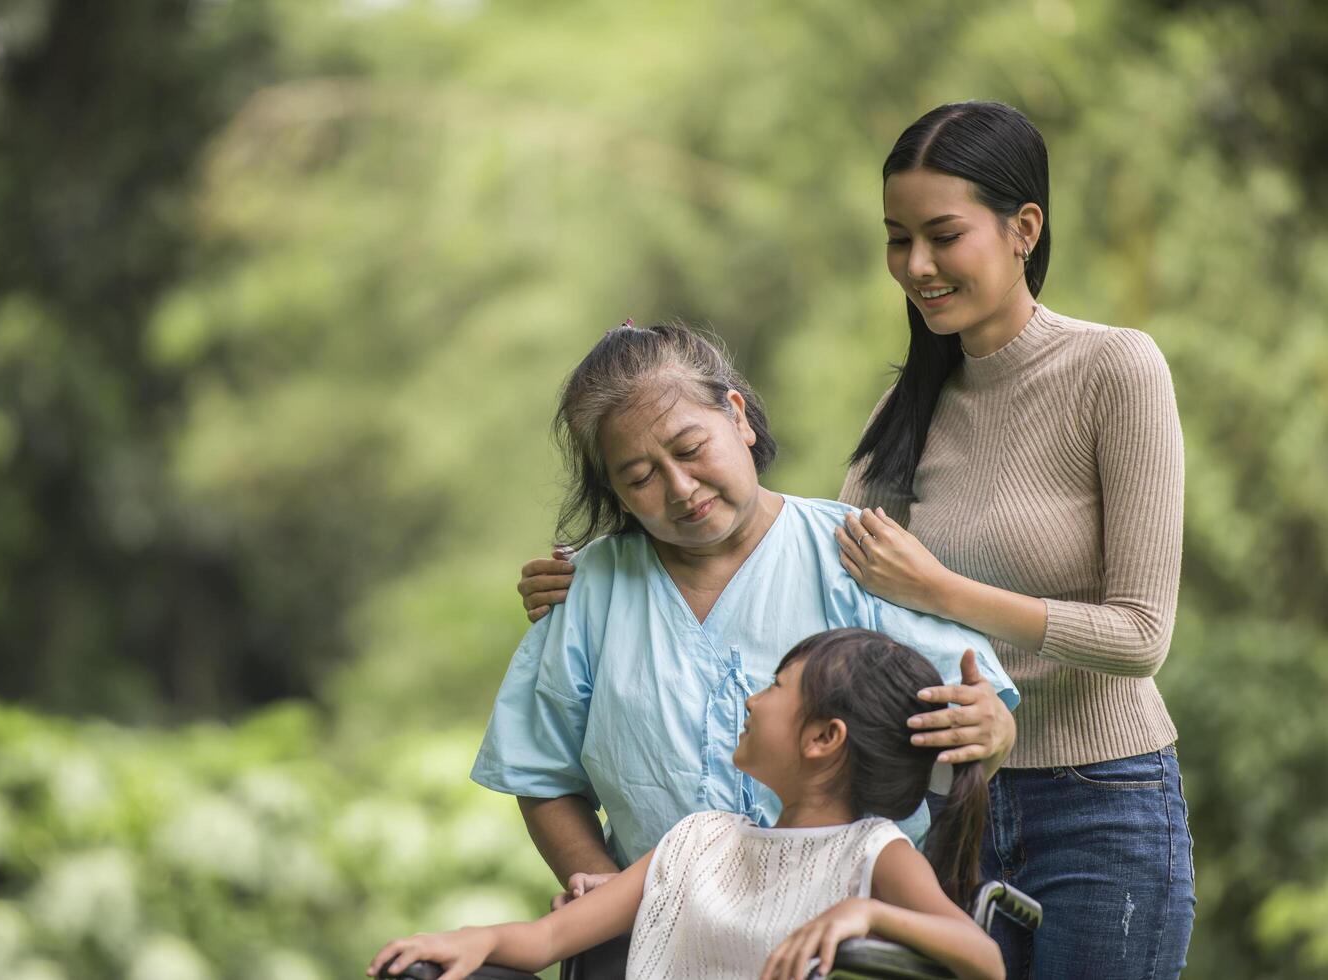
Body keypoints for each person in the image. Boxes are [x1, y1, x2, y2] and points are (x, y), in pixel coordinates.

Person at [523, 101, 1195, 978]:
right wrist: (605, 577)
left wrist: (941, 590)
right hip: (937, 820)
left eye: (942, 235)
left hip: (1098, 803)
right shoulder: (901, 413)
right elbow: (803, 569)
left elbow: (1141, 637)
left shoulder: (1115, 370)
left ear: (1023, 227)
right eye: (896, 238)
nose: (916, 266)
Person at [475, 323, 1019, 931]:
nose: (680, 489)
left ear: (737, 416)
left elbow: (969, 721)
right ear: (614, 490)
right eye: (639, 477)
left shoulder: (857, 556)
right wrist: (604, 895)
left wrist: (989, 727)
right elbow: (542, 770)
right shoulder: (588, 591)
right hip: (662, 936)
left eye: (688, 449)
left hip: (846, 940)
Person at [371, 629, 1005, 980]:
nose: (753, 701)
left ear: (822, 739)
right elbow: (548, 939)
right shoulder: (698, 839)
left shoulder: (873, 854)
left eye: (776, 687)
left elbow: (984, 960)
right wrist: (473, 940)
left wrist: (867, 913)